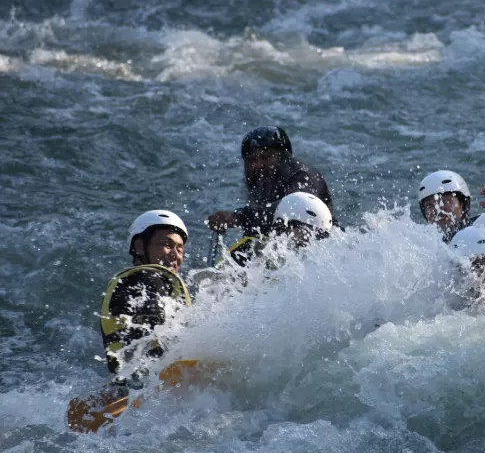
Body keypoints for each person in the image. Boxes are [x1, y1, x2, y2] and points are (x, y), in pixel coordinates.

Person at [100, 210, 191, 378]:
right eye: (167, 245)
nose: (175, 254)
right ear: (140, 246)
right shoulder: (139, 281)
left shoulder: (165, 286)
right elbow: (154, 329)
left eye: (180, 249)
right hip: (142, 380)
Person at [208, 126, 335, 239]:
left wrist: (237, 217)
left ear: (285, 157)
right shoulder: (263, 182)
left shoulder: (302, 176)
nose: (258, 165)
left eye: (266, 157)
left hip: (321, 251)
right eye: (252, 160)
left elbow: (295, 209)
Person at [225, 191, 334, 266]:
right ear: (282, 225)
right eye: (304, 233)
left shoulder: (328, 263)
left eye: (319, 236)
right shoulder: (248, 251)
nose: (309, 241)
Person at [417, 170, 473, 241]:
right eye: (430, 205)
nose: (438, 209)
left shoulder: (480, 229)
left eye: (446, 201)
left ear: (464, 205)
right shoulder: (419, 241)